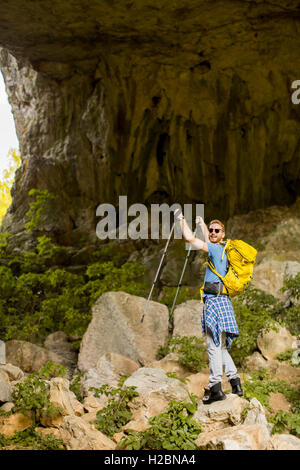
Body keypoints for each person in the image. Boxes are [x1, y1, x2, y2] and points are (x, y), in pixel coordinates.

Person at [174, 210, 243, 404]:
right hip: (224, 302)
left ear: (223, 234)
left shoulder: (214, 249)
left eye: (216, 230)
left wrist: (181, 221)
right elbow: (207, 239)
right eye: (211, 230)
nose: (212, 233)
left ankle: (215, 388)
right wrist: (203, 224)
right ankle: (236, 383)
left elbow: (189, 237)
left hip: (214, 302)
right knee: (220, 348)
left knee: (213, 347)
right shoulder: (223, 249)